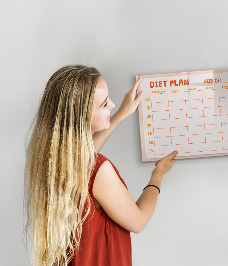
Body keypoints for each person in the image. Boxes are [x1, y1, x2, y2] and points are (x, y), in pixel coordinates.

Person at [24, 65, 178, 266]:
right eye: (105, 104)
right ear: (82, 117)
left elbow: (86, 157)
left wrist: (122, 113)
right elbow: (138, 221)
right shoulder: (100, 170)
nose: (113, 104)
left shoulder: (53, 159)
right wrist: (157, 175)